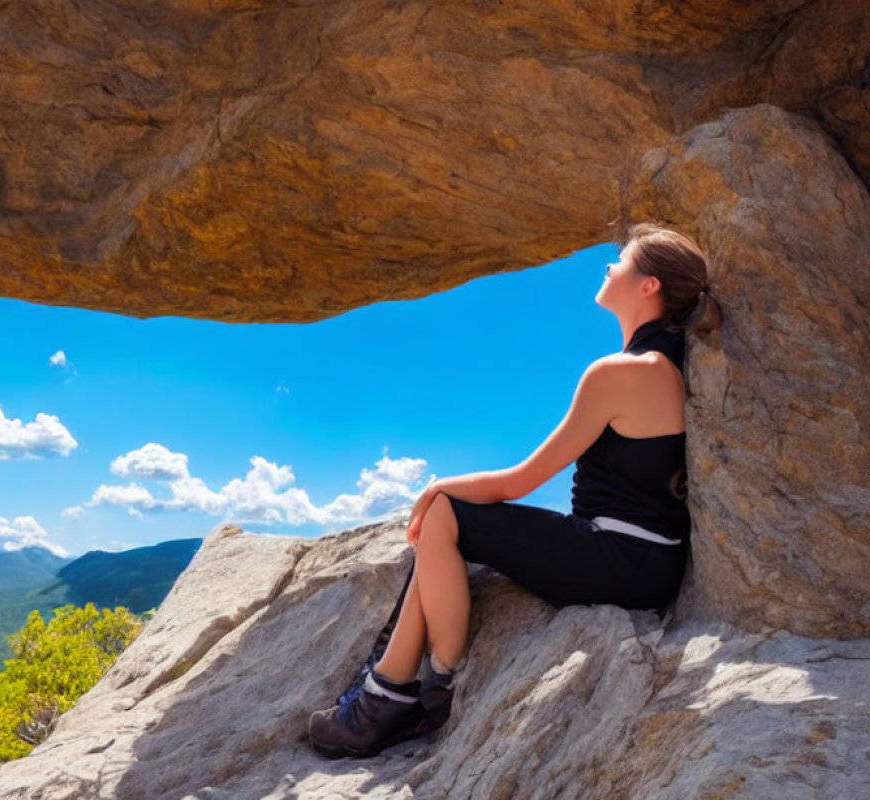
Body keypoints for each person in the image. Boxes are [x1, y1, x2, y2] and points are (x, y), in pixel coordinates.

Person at [308, 223, 722, 759]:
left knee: (445, 515)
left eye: (621, 260)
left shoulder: (622, 372)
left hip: (622, 558)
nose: (609, 266)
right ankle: (385, 695)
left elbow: (521, 481)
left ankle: (424, 688)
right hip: (648, 560)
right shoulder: (663, 365)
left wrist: (436, 489)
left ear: (648, 287)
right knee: (443, 525)